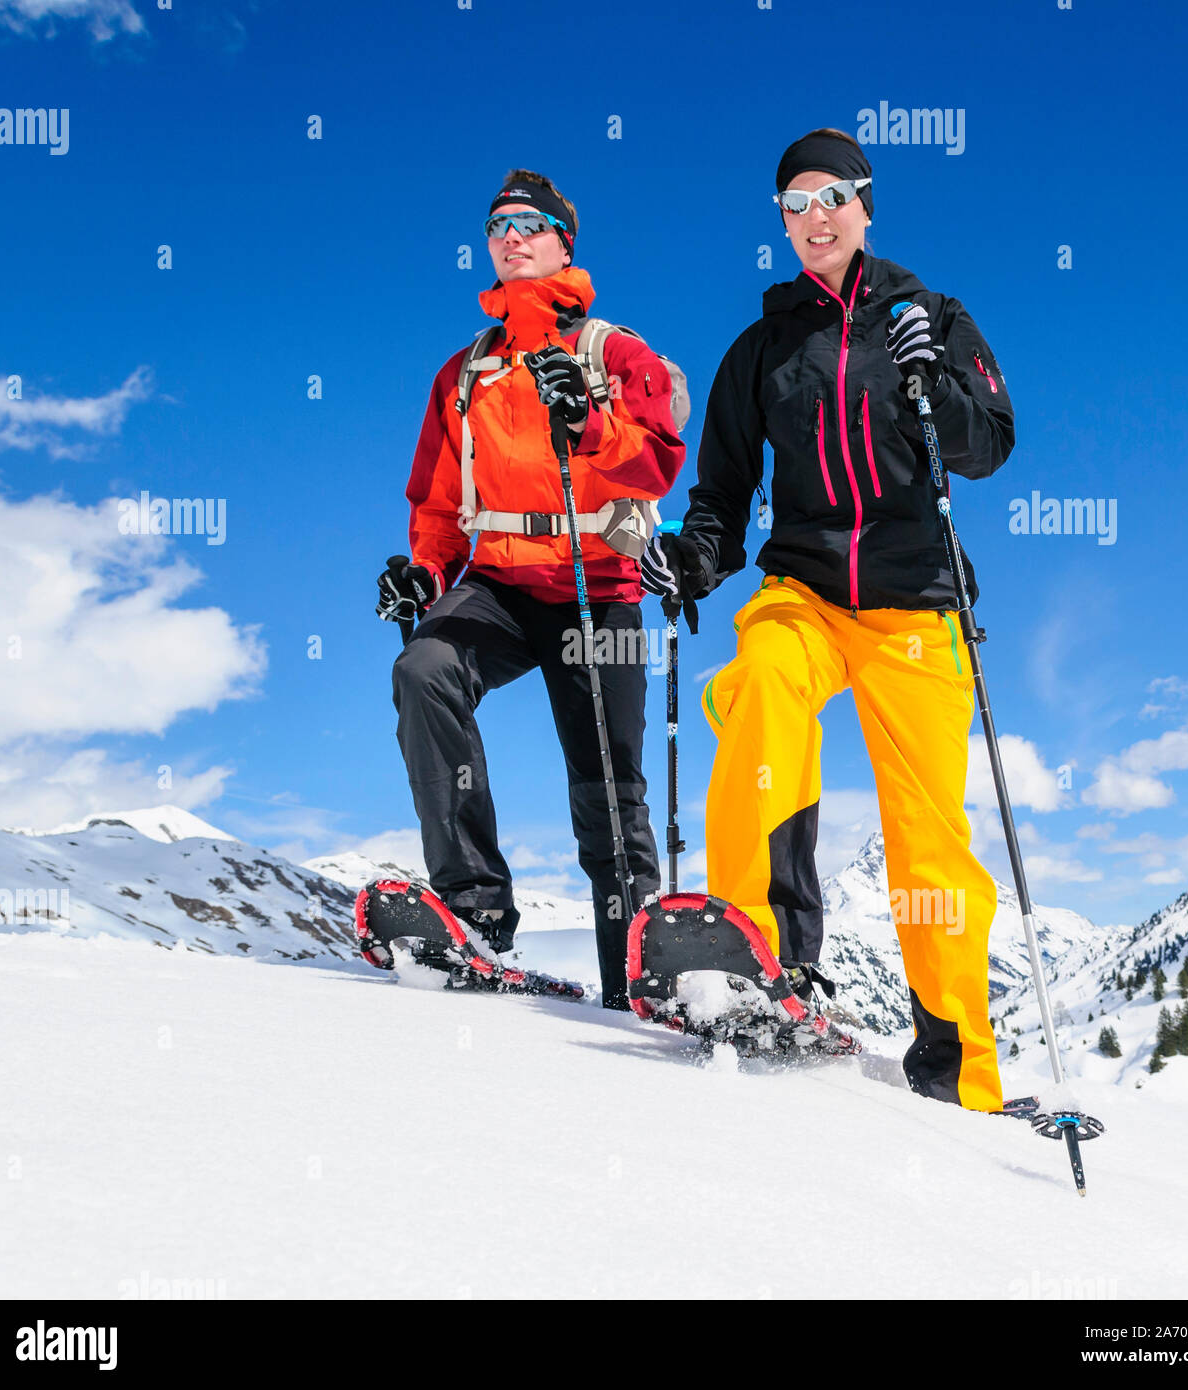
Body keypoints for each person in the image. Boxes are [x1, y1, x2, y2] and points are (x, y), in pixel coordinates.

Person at [643, 129, 1015, 1109]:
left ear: (865, 204)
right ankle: (743, 953)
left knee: (929, 841)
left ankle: (957, 1069)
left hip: (914, 598)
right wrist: (693, 552)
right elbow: (720, 492)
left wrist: (930, 379)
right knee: (759, 683)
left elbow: (988, 444)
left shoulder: (930, 315)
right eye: (794, 204)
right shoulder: (764, 346)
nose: (814, 218)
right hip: (803, 588)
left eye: (831, 197)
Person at [379, 169, 684, 1009]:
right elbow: (439, 502)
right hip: (501, 584)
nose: (510, 237)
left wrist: (587, 425)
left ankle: (634, 973)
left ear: (563, 242)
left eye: (529, 224)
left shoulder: (614, 351)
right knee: (424, 670)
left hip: (600, 581)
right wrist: (426, 572)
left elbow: (658, 459)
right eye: (497, 227)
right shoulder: (464, 372)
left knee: (607, 784)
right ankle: (474, 911)